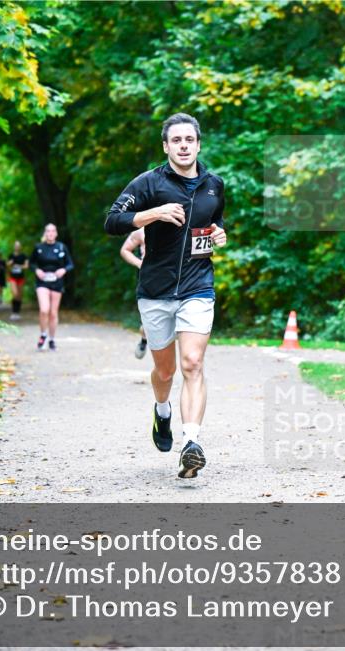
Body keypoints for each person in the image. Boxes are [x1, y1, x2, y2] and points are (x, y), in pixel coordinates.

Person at [104, 113, 227, 479]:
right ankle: (162, 411)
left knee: (192, 363)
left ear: (199, 144)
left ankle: (192, 444)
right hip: (155, 289)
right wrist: (151, 214)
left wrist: (220, 235)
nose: (184, 146)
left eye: (190, 139)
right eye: (176, 140)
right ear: (166, 146)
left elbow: (215, 223)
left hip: (197, 286)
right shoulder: (147, 183)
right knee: (165, 370)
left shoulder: (213, 185)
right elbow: (112, 221)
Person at [31, 223, 74, 351]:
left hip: (57, 282)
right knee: (44, 309)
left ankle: (52, 339)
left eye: (52, 231)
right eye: (48, 231)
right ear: (45, 233)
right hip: (42, 281)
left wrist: (63, 270)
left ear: (56, 233)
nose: (50, 233)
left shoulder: (61, 247)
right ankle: (43, 334)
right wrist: (37, 270)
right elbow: (31, 263)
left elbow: (70, 264)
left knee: (53, 313)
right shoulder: (38, 247)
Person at [120, 227, 150, 359]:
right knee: (145, 327)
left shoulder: (177, 227)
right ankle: (144, 340)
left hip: (173, 280)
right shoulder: (142, 231)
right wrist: (140, 263)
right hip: (148, 280)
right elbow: (125, 250)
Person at [7, 240, 29, 320]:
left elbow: (26, 266)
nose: (17, 247)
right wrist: (10, 263)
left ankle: (17, 312)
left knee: (19, 296)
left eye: (18, 245)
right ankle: (13, 312)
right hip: (13, 277)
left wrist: (19, 266)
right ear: (14, 247)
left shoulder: (24, 256)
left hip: (20, 277)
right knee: (15, 294)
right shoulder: (11, 255)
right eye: (16, 245)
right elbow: (7, 265)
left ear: (20, 247)